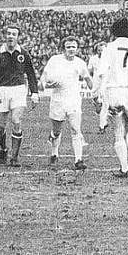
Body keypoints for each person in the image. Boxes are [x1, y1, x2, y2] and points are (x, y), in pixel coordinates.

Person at [93, 18, 128, 178]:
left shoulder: (109, 48)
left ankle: (124, 169)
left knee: (118, 132)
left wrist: (96, 93)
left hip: (114, 91)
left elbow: (101, 72)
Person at [0, 25, 40, 167]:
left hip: (19, 90)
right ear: (5, 36)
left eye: (14, 34)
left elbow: (31, 74)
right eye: (9, 33)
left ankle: (14, 157)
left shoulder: (23, 54)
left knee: (16, 121)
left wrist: (34, 92)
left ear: (18, 36)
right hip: (2, 91)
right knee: (1, 127)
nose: (11, 36)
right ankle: (4, 149)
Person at [41, 36, 92, 170]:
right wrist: (48, 84)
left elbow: (87, 78)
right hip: (58, 100)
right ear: (63, 48)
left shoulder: (80, 63)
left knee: (76, 130)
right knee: (57, 131)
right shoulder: (55, 60)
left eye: (73, 47)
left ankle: (78, 160)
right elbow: (44, 78)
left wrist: (96, 92)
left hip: (74, 101)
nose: (71, 49)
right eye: (68, 47)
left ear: (77, 48)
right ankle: (54, 153)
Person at [88, 41, 109, 134]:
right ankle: (104, 120)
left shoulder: (109, 60)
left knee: (104, 104)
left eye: (103, 50)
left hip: (105, 83)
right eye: (99, 50)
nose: (101, 51)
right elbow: (89, 70)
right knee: (95, 99)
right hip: (96, 82)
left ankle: (102, 125)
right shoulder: (93, 59)